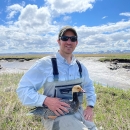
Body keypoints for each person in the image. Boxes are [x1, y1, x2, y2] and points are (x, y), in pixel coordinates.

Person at [17, 26, 97, 130]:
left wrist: (90, 106)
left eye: (73, 39)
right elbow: (23, 90)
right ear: (59, 41)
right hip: (56, 116)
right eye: (65, 38)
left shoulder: (81, 67)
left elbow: (89, 86)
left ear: (76, 43)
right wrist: (46, 100)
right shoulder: (45, 64)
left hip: (79, 112)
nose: (69, 42)